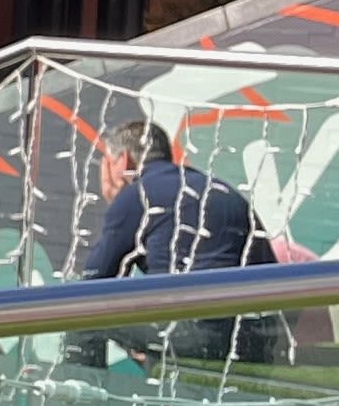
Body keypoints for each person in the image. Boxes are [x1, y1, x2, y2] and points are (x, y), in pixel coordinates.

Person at [80, 118, 285, 363]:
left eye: (107, 163)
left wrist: (119, 205)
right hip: (256, 339)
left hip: (195, 333)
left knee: (80, 313)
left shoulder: (138, 194)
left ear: (123, 161)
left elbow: (94, 282)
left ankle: (78, 387)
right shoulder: (220, 190)